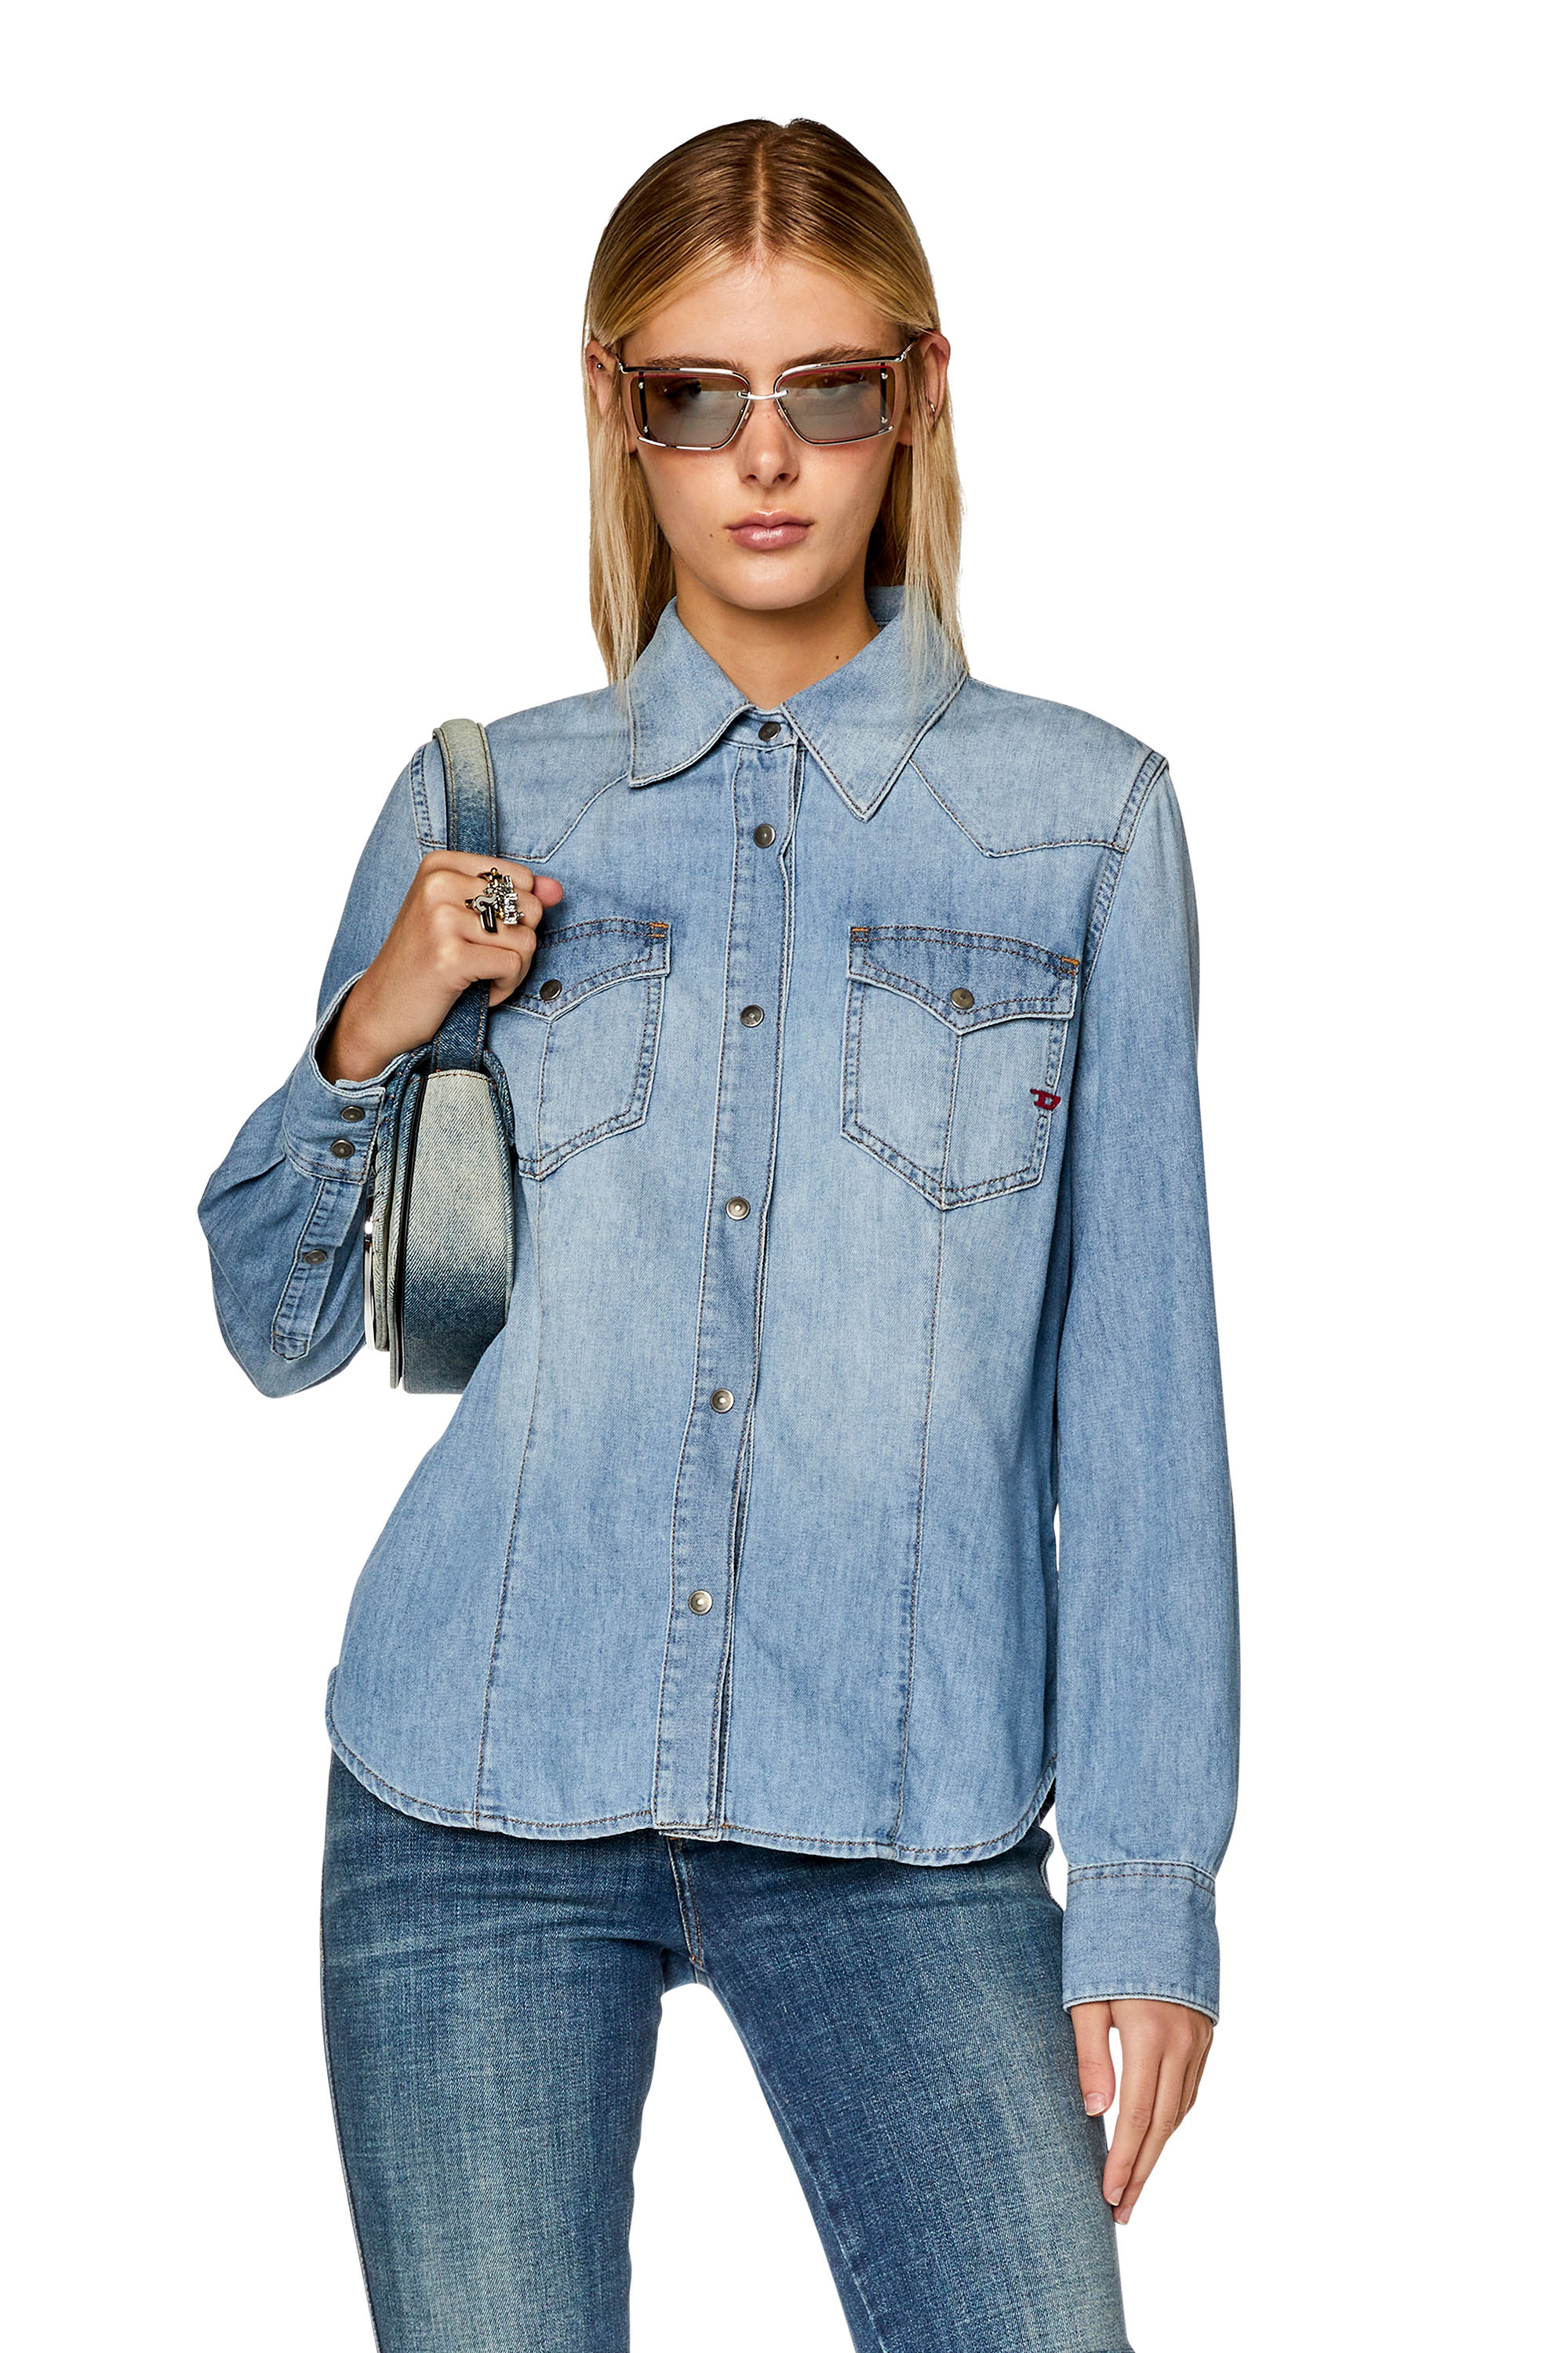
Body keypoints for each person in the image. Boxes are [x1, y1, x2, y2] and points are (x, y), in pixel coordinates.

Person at [198, 115, 1239, 2353]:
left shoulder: (1083, 827)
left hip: (907, 1813)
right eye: (699, 396)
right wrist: (377, 1025)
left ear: (918, 394)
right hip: (477, 1778)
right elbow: (270, 1320)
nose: (765, 459)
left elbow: (1142, 1396)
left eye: (825, 390)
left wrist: (1150, 1891)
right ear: (621, 410)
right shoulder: (490, 802)